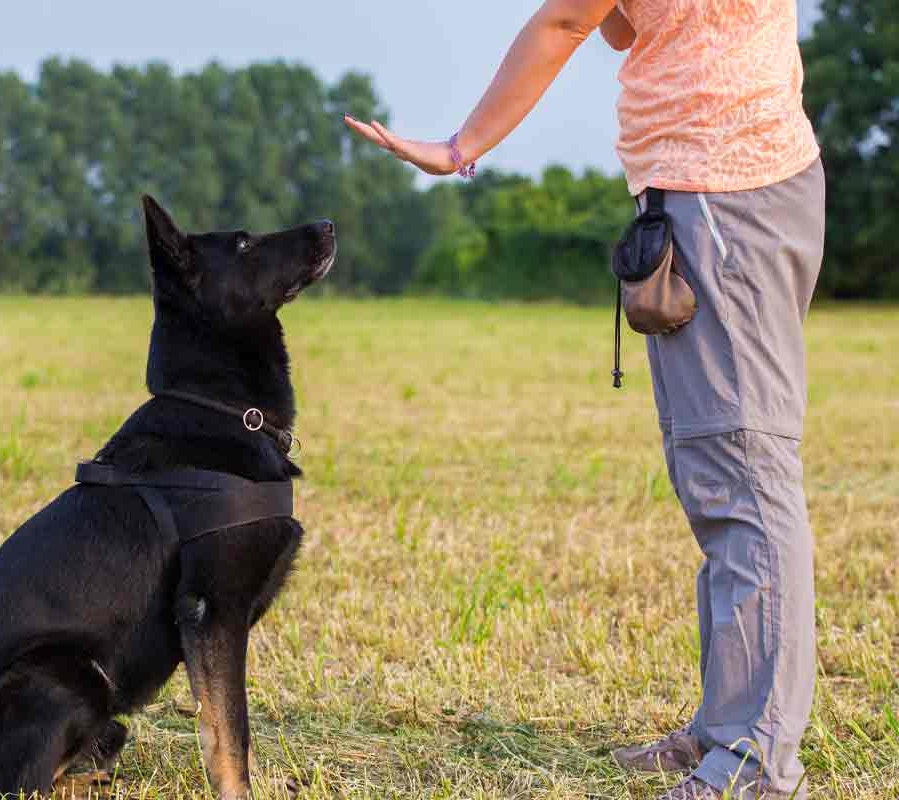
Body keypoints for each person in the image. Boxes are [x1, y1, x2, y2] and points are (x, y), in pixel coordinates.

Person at [345, 0, 823, 798]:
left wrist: (460, 147)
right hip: (737, 183)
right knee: (720, 474)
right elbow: (626, 25)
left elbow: (568, 22)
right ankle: (727, 729)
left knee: (744, 476)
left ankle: (756, 765)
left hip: (721, 193)